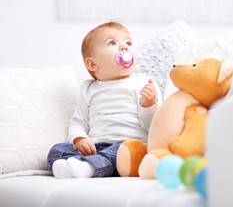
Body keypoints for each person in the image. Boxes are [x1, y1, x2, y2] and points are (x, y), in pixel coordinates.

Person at [47, 22, 161, 178]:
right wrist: (80, 139)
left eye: (128, 42)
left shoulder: (144, 83)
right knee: (57, 149)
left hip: (128, 147)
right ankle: (75, 165)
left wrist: (148, 105)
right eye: (112, 43)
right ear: (93, 64)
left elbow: (155, 127)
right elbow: (78, 122)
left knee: (121, 152)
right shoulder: (89, 88)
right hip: (95, 147)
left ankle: (88, 168)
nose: (124, 47)